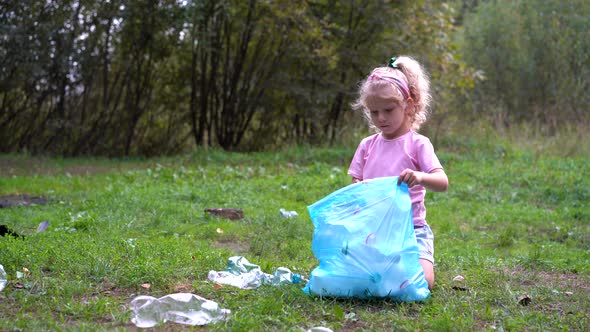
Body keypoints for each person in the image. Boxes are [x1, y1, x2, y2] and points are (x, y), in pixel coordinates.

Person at [347, 55, 448, 290]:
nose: (380, 118)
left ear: (408, 105)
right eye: (374, 112)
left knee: (423, 282)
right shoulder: (367, 145)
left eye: (388, 110)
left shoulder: (418, 144)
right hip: (374, 232)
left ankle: (394, 271)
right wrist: (356, 190)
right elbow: (355, 184)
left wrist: (420, 177)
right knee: (357, 276)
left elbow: (442, 182)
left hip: (412, 230)